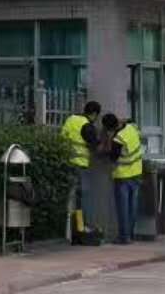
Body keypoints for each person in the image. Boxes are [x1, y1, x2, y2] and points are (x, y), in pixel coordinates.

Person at [59, 101, 102, 239]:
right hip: (80, 165)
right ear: (94, 114)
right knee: (82, 197)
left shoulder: (71, 119)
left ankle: (70, 229)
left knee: (69, 196)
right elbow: (94, 145)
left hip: (66, 161)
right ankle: (80, 227)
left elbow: (62, 137)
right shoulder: (87, 126)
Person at [103, 112, 145, 244]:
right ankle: (130, 234)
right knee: (133, 206)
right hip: (137, 172)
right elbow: (130, 122)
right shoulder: (132, 128)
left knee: (123, 208)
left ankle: (124, 237)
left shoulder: (118, 139)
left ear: (109, 129)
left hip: (123, 176)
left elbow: (112, 157)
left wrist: (108, 140)